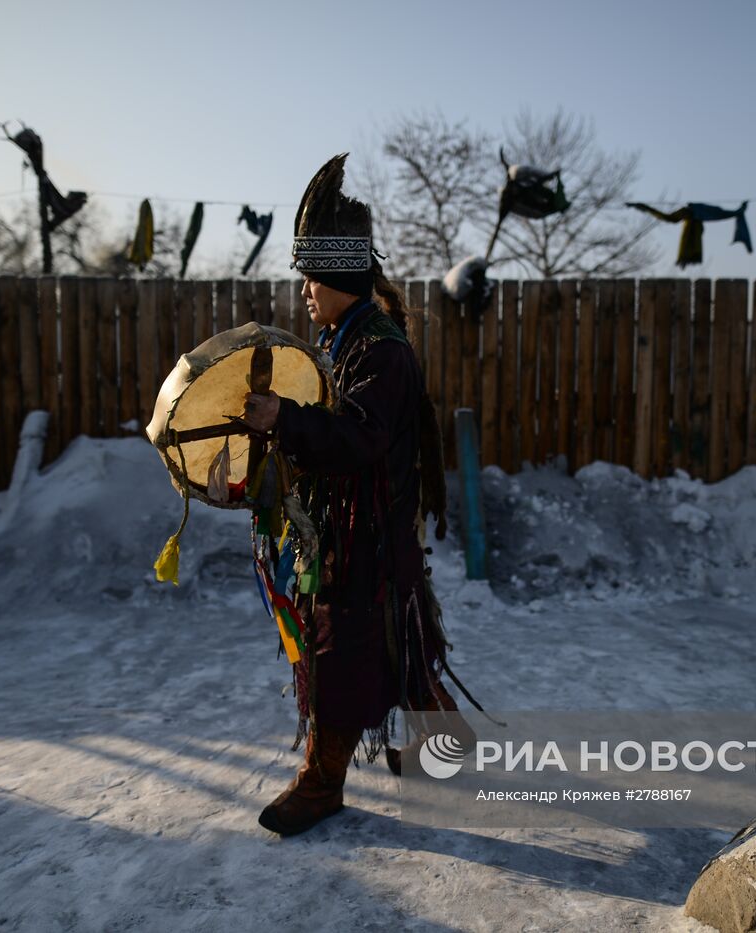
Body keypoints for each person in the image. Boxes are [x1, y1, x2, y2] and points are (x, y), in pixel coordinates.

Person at [241, 153, 474, 837]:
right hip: (356, 535)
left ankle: (320, 784)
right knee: (400, 651)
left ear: (341, 275)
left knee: (343, 658)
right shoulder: (341, 341)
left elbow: (361, 436)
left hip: (364, 543)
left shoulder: (380, 351)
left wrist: (285, 417)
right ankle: (449, 745)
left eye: (312, 275)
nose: (305, 288)